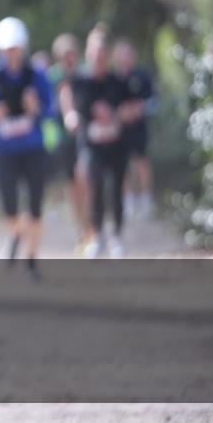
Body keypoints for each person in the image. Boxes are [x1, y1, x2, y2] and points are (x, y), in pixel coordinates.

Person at [0, 17, 53, 279]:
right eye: (7, 49)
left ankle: (31, 260)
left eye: (16, 48)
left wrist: (36, 108)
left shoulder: (37, 75)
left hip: (32, 148)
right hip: (2, 149)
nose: (12, 54)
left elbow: (52, 109)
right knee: (9, 207)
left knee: (36, 205)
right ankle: (15, 235)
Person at [65, 25, 129, 258]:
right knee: (96, 186)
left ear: (108, 56)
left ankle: (117, 236)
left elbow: (132, 108)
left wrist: (113, 114)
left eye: (103, 55)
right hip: (91, 145)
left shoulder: (118, 81)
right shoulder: (79, 81)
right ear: (88, 54)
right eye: (95, 55)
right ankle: (97, 235)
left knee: (116, 190)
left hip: (116, 145)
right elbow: (68, 100)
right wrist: (70, 116)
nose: (99, 59)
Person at [48, 33, 91, 252]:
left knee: (86, 181)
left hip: (86, 137)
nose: (69, 60)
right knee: (73, 187)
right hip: (63, 139)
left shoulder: (85, 73)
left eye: (72, 55)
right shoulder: (52, 77)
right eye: (65, 56)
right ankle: (81, 228)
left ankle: (91, 226)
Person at [113, 39, 157, 220]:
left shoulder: (142, 76)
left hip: (139, 128)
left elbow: (154, 102)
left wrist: (140, 109)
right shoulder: (113, 79)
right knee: (121, 166)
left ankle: (146, 200)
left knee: (141, 163)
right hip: (119, 130)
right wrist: (120, 113)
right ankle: (127, 202)